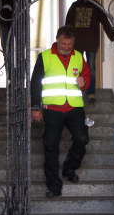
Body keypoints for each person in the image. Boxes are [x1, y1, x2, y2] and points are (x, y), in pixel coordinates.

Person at [31, 25, 91, 198]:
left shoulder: (79, 57)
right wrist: (36, 107)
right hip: (52, 108)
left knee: (82, 139)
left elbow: (87, 75)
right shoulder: (45, 57)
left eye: (69, 44)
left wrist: (84, 82)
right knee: (50, 146)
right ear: (57, 40)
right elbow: (36, 82)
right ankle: (54, 187)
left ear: (73, 43)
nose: (66, 47)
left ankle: (69, 169)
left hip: (74, 107)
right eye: (63, 43)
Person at [65, 0, 114, 104]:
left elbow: (105, 23)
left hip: (91, 44)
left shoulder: (96, 6)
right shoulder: (75, 6)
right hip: (77, 44)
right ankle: (77, 91)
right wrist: (65, 42)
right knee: (76, 69)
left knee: (91, 69)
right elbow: (67, 24)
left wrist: (113, 37)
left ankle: (91, 93)